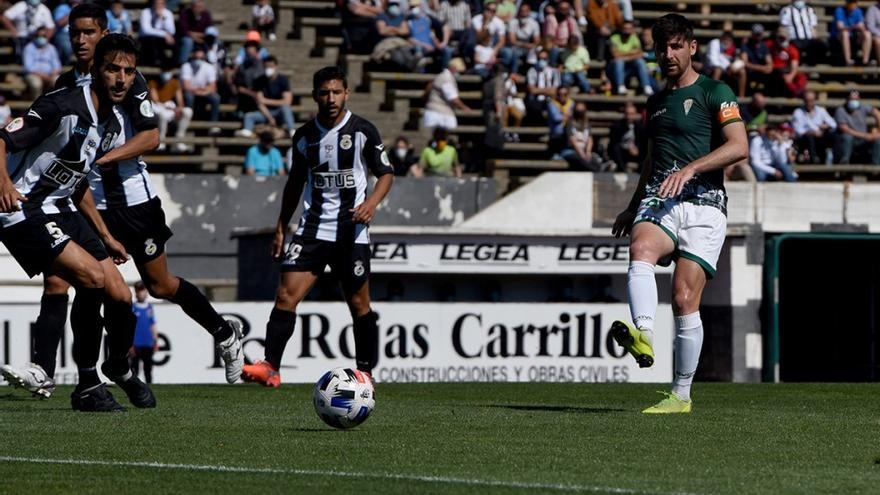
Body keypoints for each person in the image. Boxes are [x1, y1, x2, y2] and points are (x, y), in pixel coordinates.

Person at [1, 3, 160, 402]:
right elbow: (2, 139)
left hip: (62, 208)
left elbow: (76, 182)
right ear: (98, 69)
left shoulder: (112, 122)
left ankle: (115, 367)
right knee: (89, 279)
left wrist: (105, 235)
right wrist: (3, 183)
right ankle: (80, 380)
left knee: (121, 295)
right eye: (112, 70)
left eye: (128, 71)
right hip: (24, 209)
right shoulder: (62, 104)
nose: (121, 79)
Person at [610, 14, 748, 414]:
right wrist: (634, 204)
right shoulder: (655, 103)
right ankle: (644, 335)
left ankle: (681, 395)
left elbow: (738, 146)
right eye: (661, 48)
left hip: (706, 203)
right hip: (662, 199)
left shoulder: (715, 91)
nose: (668, 55)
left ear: (691, 47)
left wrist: (692, 168)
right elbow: (652, 159)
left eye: (675, 47)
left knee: (684, 299)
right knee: (641, 247)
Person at [241, 66, 394, 387]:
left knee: (358, 304)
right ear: (315, 96)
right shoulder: (304, 136)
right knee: (285, 296)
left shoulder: (363, 131)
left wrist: (371, 204)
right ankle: (271, 366)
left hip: (351, 230)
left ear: (347, 93)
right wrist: (282, 225)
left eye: (336, 92)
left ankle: (365, 373)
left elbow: (386, 173)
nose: (331, 98)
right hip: (312, 229)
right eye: (324, 92)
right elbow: (294, 184)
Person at [236, 56, 295, 138]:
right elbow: (259, 103)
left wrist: (266, 101)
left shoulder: (283, 79)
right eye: (266, 66)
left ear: (276, 66)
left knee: (286, 108)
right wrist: (270, 118)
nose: (268, 69)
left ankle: (291, 130)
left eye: (271, 66)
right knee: (249, 116)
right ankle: (247, 131)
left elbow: (287, 101)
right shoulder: (259, 80)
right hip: (265, 113)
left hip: (279, 112)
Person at [149, 64, 194, 152]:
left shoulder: (175, 82)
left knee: (188, 111)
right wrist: (172, 109)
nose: (166, 73)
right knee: (163, 115)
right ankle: (160, 142)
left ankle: (179, 141)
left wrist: (180, 109)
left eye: (168, 71)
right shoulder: (153, 82)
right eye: (165, 71)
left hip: (169, 107)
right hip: (157, 107)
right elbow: (156, 100)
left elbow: (180, 100)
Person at [181, 44, 222, 136]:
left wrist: (204, 92)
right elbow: (186, 86)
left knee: (216, 98)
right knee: (189, 97)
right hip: (192, 92)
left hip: (204, 92)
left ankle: (213, 124)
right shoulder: (186, 66)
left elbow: (213, 87)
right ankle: (187, 121)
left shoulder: (209, 67)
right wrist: (198, 90)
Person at [834, 89, 880, 164]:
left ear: (859, 99)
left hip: (864, 139)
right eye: (851, 99)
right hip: (851, 139)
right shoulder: (841, 110)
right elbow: (845, 129)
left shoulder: (863, 107)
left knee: (878, 140)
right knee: (847, 137)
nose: (854, 101)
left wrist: (878, 130)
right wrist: (865, 135)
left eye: (856, 99)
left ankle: (875, 167)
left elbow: (877, 113)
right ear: (847, 99)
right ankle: (844, 164)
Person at [423, 57, 470, 130]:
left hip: (434, 111)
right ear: (454, 68)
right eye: (459, 72)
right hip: (440, 114)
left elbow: (429, 87)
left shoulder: (441, 76)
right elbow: (453, 98)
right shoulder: (446, 78)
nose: (459, 74)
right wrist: (465, 108)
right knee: (441, 137)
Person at [609, 20, 654, 95]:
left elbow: (639, 54)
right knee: (619, 62)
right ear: (621, 28)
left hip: (630, 66)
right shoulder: (614, 38)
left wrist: (623, 56)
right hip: (615, 67)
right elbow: (615, 55)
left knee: (640, 61)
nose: (627, 31)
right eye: (625, 28)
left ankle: (646, 86)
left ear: (632, 29)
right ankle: (620, 86)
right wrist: (631, 52)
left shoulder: (634, 39)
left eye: (629, 28)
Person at [792, 90, 837, 163]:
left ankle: (832, 162)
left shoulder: (821, 110)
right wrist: (812, 132)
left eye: (811, 100)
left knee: (833, 136)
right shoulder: (798, 112)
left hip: (821, 136)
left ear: (815, 100)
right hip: (806, 138)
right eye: (807, 100)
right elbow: (798, 130)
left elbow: (833, 124)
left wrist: (825, 126)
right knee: (810, 138)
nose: (809, 103)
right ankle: (813, 162)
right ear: (804, 100)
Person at [779, 0, 826, 66]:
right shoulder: (786, 10)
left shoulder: (810, 10)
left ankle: (811, 64)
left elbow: (813, 29)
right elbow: (783, 28)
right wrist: (785, 43)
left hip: (808, 39)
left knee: (822, 46)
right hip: (794, 40)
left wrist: (816, 40)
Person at [130, 281, 158, 384]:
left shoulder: (149, 308)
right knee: (135, 369)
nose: (141, 293)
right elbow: (129, 326)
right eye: (139, 291)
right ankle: (135, 388)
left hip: (148, 343)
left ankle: (150, 386)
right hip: (136, 344)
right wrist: (129, 344)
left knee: (148, 369)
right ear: (136, 292)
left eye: (143, 291)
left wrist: (155, 341)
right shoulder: (133, 307)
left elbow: (152, 325)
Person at [561, 102, 602, 171]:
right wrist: (582, 154)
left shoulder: (587, 124)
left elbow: (590, 139)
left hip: (584, 151)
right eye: (578, 111)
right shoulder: (570, 124)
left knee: (595, 160)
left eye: (582, 111)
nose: (580, 113)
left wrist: (588, 152)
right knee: (582, 161)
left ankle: (599, 172)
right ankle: (597, 172)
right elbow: (573, 141)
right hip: (571, 151)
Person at [22, 25, 61, 99]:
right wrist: (42, 75)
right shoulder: (29, 48)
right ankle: (37, 106)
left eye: (43, 36)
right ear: (35, 36)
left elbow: (57, 65)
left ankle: (55, 104)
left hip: (50, 75)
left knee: (58, 81)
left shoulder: (52, 48)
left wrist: (54, 72)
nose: (41, 38)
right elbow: (28, 67)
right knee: (36, 84)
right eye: (38, 36)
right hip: (34, 74)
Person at [767, 29, 807, 97]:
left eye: (783, 38)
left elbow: (794, 66)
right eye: (780, 37)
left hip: (786, 69)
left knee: (802, 77)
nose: (781, 39)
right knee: (783, 76)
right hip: (775, 71)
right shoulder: (770, 45)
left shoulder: (792, 49)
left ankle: (799, 92)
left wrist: (791, 76)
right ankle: (796, 93)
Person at [502, 3, 540, 74]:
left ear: (529, 12)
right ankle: (513, 73)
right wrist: (526, 45)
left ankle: (533, 74)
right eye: (522, 11)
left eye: (526, 11)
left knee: (535, 52)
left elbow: (537, 41)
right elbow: (512, 40)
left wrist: (531, 46)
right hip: (515, 47)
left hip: (527, 47)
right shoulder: (513, 22)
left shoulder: (534, 23)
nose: (524, 13)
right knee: (514, 52)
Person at [608, 101, 646, 171]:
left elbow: (643, 142)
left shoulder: (640, 127)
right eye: (627, 114)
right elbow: (614, 144)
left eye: (631, 114)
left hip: (636, 152)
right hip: (623, 152)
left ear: (635, 114)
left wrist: (637, 149)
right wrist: (627, 147)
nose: (629, 117)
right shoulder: (617, 126)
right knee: (616, 149)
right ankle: (623, 170)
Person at [832, 0, 872, 66]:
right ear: (847, 3)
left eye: (854, 2)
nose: (853, 4)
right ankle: (848, 61)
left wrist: (862, 29)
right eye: (851, 2)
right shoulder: (839, 10)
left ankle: (865, 61)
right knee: (845, 34)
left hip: (854, 37)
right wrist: (854, 27)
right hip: (839, 38)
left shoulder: (858, 11)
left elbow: (861, 26)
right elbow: (840, 27)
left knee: (867, 34)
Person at [138, 0, 176, 68]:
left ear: (164, 4)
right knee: (153, 40)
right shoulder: (145, 12)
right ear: (153, 3)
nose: (158, 5)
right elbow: (146, 30)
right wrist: (165, 34)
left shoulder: (167, 13)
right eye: (157, 3)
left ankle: (171, 63)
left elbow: (172, 31)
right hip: (146, 38)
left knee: (176, 41)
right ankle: (153, 61)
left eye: (161, 3)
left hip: (162, 39)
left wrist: (163, 18)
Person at [525, 49, 561, 120]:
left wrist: (538, 90)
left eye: (544, 59)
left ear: (548, 59)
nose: (542, 61)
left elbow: (554, 91)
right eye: (540, 58)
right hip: (535, 101)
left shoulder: (554, 72)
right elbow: (532, 90)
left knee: (552, 106)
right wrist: (548, 90)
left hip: (550, 100)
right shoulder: (531, 71)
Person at [740, 24, 773, 97]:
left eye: (760, 34)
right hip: (749, 73)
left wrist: (753, 66)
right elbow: (744, 63)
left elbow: (770, 66)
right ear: (752, 34)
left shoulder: (764, 46)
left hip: (760, 74)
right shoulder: (745, 45)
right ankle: (741, 97)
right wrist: (762, 68)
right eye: (756, 34)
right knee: (742, 71)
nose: (758, 36)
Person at [178, 0, 213, 65]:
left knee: (214, 41)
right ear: (192, 6)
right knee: (187, 41)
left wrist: (195, 35)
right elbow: (184, 30)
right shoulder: (185, 13)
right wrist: (196, 37)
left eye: (200, 7)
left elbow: (209, 30)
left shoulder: (206, 14)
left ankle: (211, 62)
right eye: (196, 7)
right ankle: (182, 63)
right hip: (188, 38)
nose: (198, 9)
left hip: (202, 39)